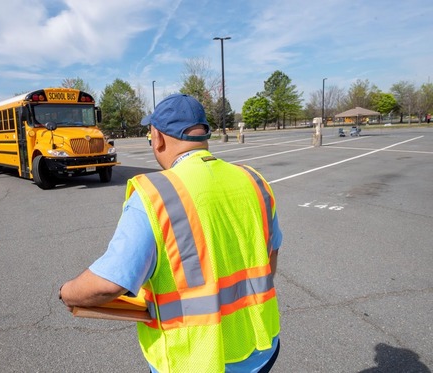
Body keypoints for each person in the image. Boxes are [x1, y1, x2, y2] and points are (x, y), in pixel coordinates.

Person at [59, 94, 283, 373]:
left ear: (158, 137)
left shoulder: (155, 196)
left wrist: (67, 292)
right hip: (261, 346)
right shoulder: (254, 180)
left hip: (196, 361)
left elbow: (109, 284)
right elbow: (270, 258)